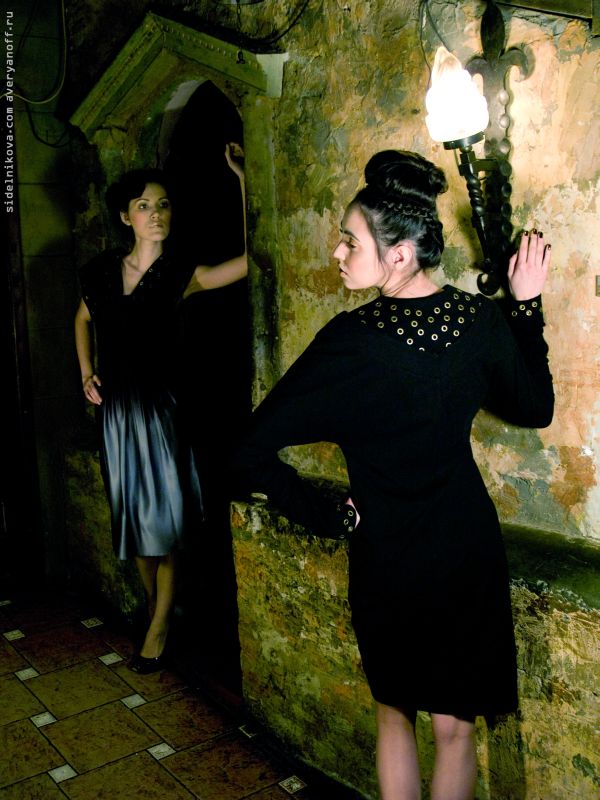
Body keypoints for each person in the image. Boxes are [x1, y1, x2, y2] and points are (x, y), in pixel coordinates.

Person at [232, 150, 553, 800]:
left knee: (394, 713)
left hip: (388, 553)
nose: (337, 252)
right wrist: (526, 305)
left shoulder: (349, 341)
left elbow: (248, 450)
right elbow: (535, 408)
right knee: (455, 732)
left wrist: (325, 512)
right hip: (464, 546)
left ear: (399, 254)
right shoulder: (479, 322)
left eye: (350, 241)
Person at [74, 143, 246, 674]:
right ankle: (158, 608)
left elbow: (248, 260)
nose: (157, 214)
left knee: (167, 522)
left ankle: (159, 627)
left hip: (164, 412)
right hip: (116, 414)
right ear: (126, 216)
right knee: (133, 521)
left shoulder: (180, 272)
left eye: (164, 205)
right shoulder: (102, 272)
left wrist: (243, 182)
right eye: (145, 206)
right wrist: (86, 371)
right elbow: (81, 319)